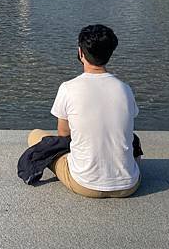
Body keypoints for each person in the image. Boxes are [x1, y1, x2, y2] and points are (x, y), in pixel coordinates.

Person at [27, 24, 141, 198]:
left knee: (35, 136)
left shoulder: (68, 88)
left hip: (85, 183)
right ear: (110, 54)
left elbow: (64, 135)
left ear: (80, 53)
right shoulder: (125, 89)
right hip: (129, 184)